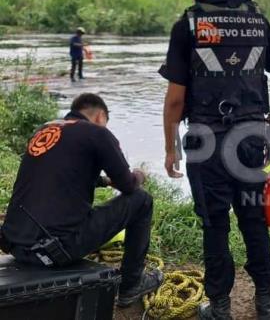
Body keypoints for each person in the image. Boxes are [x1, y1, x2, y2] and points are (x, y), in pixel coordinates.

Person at [160, 0, 270, 320]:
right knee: (254, 218)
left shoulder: (187, 26)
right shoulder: (257, 19)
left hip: (205, 143)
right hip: (252, 140)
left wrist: (170, 147)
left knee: (215, 225)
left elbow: (174, 100)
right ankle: (265, 301)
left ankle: (220, 307)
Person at [0, 93, 162, 307]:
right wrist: (140, 174)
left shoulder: (45, 130)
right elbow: (128, 185)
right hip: (55, 250)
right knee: (142, 200)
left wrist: (104, 181)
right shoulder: (97, 133)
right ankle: (131, 285)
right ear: (100, 116)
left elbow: (64, 175)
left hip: (16, 245)